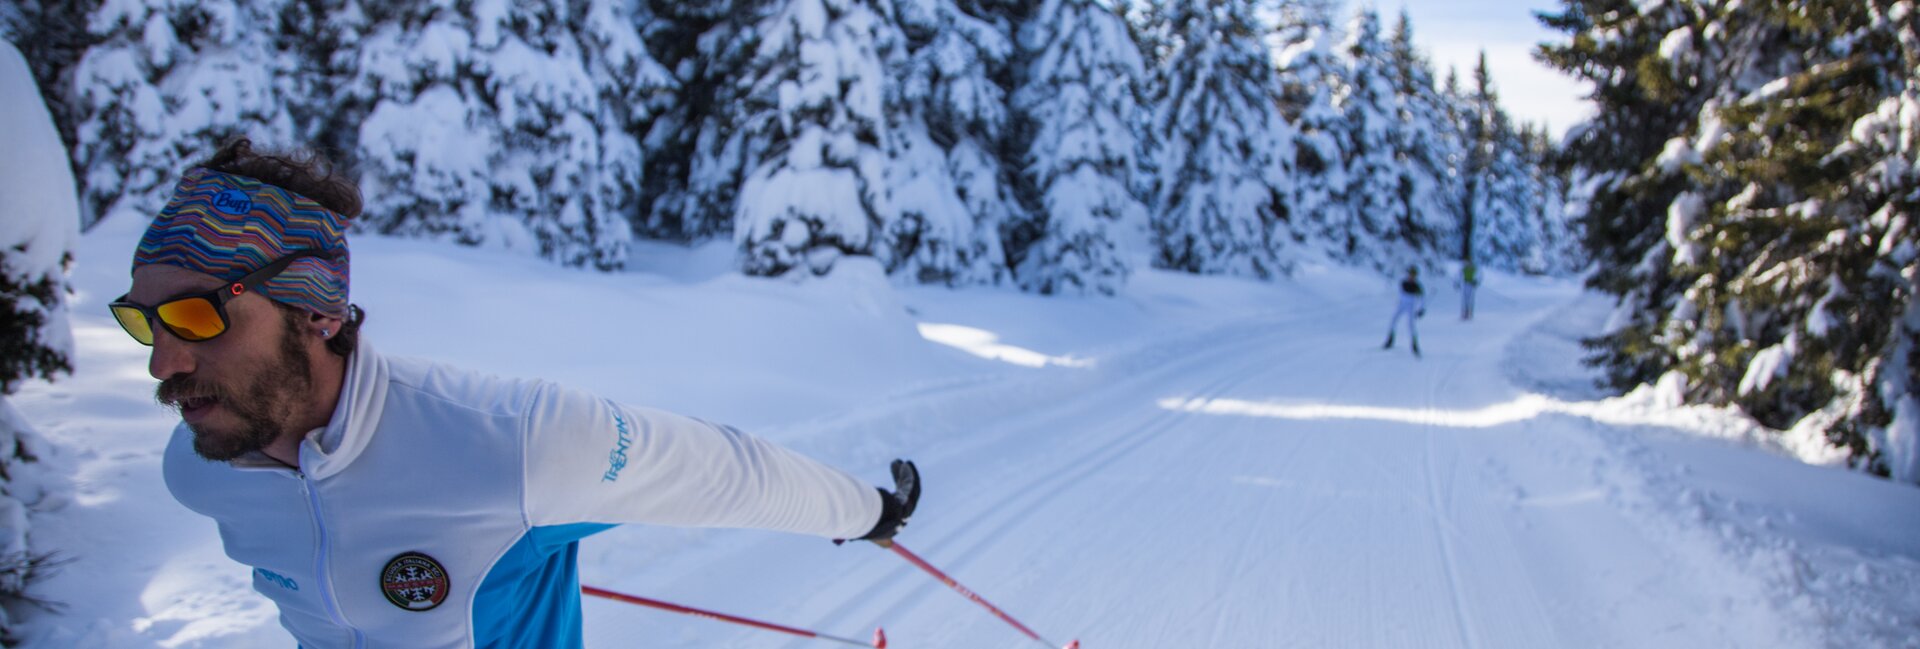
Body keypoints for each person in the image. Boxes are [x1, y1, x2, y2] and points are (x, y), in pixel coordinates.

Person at [109, 138, 920, 649]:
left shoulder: (511, 442)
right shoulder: (199, 467)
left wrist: (867, 511)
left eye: (197, 314)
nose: (163, 363)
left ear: (317, 312)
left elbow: (730, 471)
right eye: (145, 322)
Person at [1382, 265, 1424, 357]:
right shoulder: (1403, 282)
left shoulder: (1417, 286)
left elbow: (1422, 297)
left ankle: (1414, 345)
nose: (1412, 277)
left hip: (1411, 307)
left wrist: (1421, 308)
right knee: (1393, 320)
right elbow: (1398, 292)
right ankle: (1390, 340)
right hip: (1401, 305)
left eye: (1414, 275)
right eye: (1410, 274)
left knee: (1410, 325)